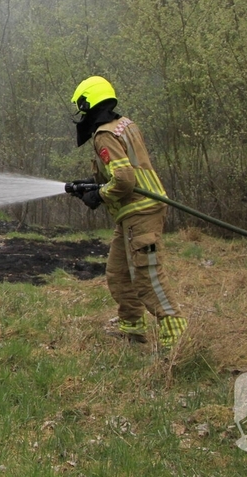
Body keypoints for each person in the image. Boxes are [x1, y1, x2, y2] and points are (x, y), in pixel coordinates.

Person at [67, 76, 188, 349]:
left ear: (89, 103)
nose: (82, 115)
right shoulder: (123, 125)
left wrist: (98, 194)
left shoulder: (104, 136)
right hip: (134, 212)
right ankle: (131, 329)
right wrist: (91, 185)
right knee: (119, 274)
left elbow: (123, 179)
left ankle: (176, 339)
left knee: (147, 277)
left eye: (82, 108)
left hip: (139, 211)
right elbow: (123, 170)